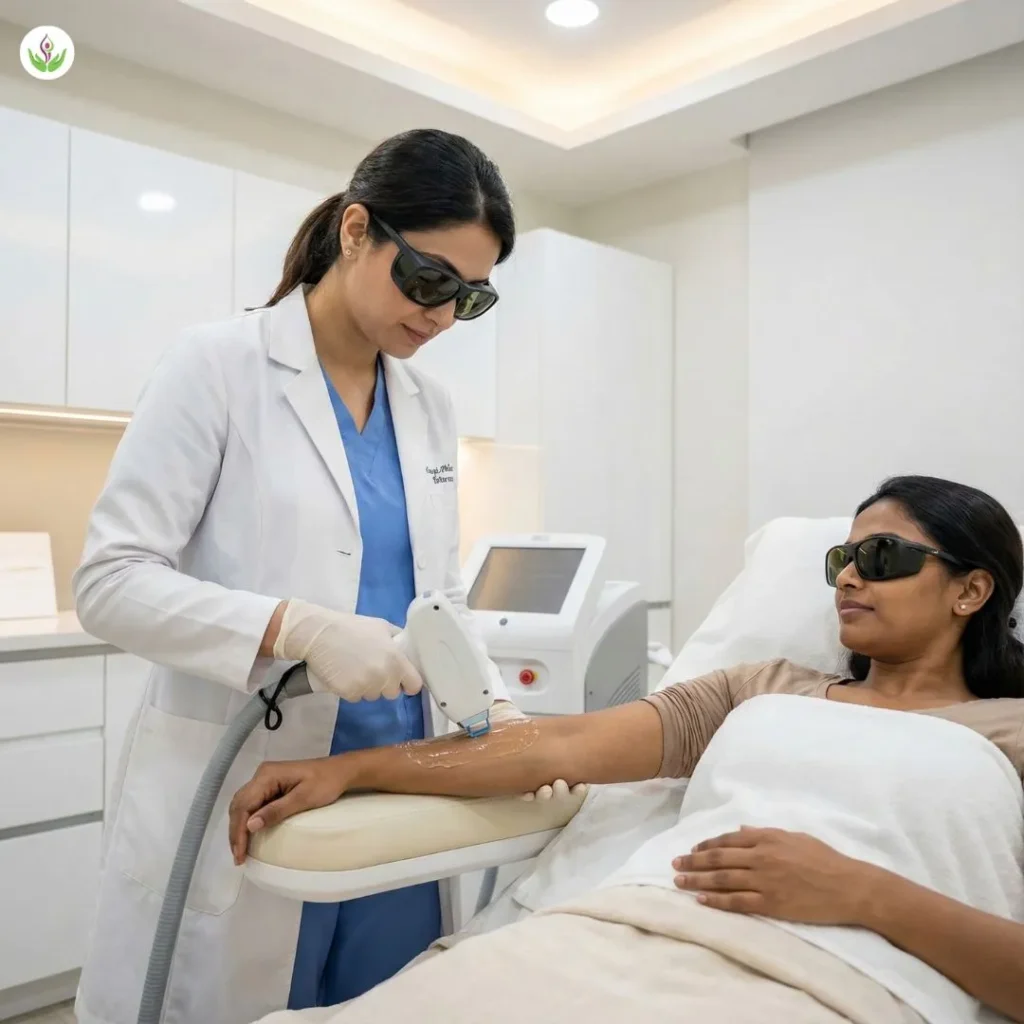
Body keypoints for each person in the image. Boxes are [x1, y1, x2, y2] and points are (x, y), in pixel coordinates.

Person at [72, 128, 567, 1024]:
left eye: (470, 297)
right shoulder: (217, 367)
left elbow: (440, 602)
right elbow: (110, 581)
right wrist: (293, 628)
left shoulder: (429, 405)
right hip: (254, 788)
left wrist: (498, 716)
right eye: (428, 280)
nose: (442, 317)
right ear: (355, 231)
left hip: (397, 785)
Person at [233, 476, 1024, 1024]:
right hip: (614, 934)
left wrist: (862, 893)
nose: (849, 578)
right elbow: (553, 746)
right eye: (841, 560)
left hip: (826, 982)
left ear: (971, 590)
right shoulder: (764, 688)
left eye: (880, 558)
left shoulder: (1010, 732)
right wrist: (350, 771)